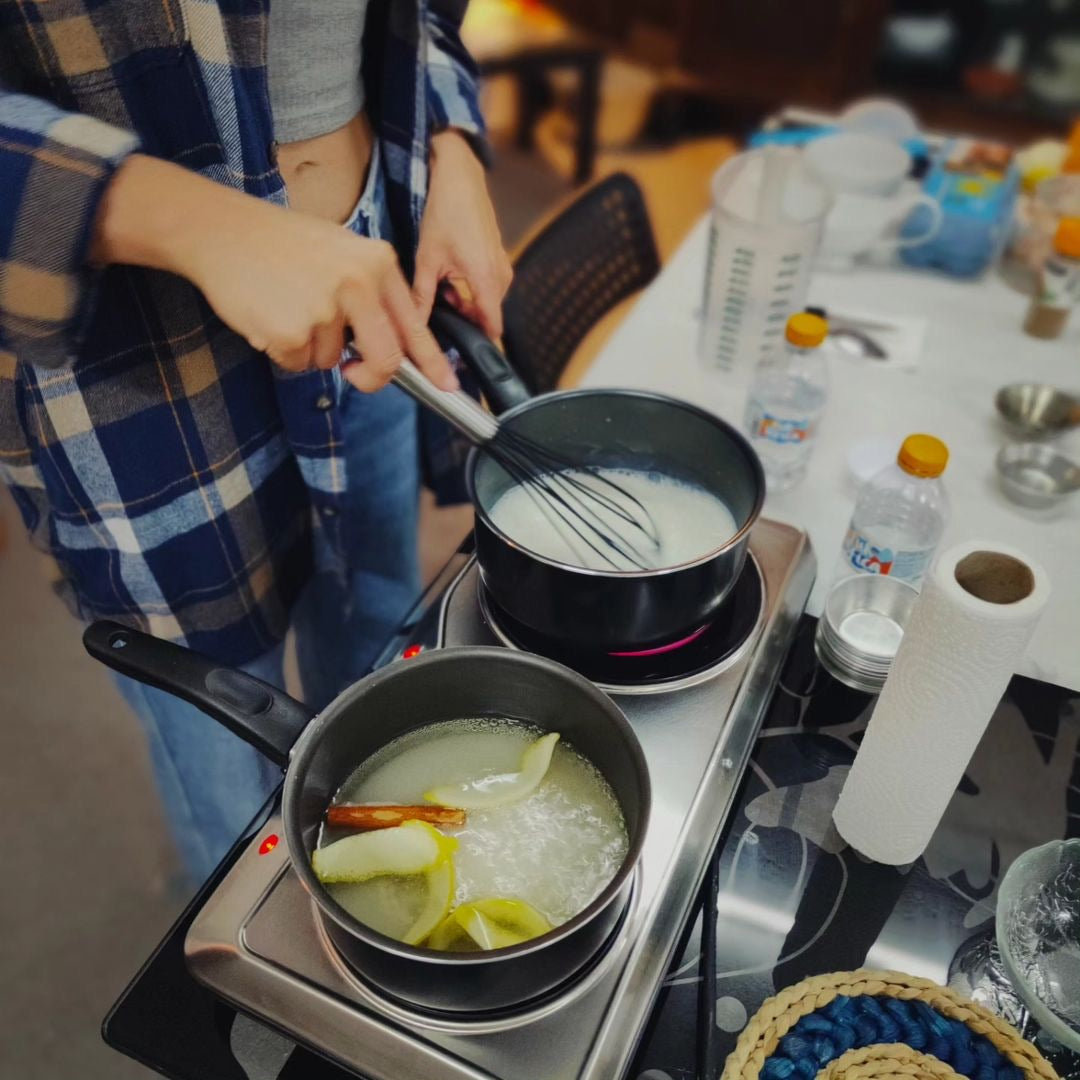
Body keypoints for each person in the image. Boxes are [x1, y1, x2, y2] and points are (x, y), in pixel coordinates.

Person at [0, 1, 512, 884]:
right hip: (138, 370)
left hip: (370, 294)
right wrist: (186, 219)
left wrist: (450, 142)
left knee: (379, 642)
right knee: (230, 770)